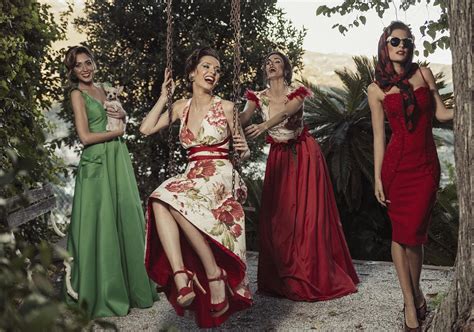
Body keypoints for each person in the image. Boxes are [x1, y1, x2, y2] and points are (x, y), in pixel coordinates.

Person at [140, 47, 252, 328]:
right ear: (192, 73)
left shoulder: (226, 107)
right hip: (193, 175)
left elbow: (243, 150)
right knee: (159, 200)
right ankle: (181, 276)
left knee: (172, 198)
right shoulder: (180, 107)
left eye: (216, 69)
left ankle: (213, 273)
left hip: (220, 174)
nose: (212, 72)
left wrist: (243, 148)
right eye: (206, 66)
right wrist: (164, 97)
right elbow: (145, 129)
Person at [241, 51, 359, 302]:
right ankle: (282, 276)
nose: (271, 64)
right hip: (279, 157)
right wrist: (224, 114)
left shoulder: (297, 90)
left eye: (277, 61)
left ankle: (310, 273)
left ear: (286, 69)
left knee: (308, 216)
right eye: (267, 61)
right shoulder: (257, 97)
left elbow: (287, 113)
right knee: (278, 217)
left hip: (303, 154)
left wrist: (263, 126)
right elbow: (242, 118)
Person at [367, 21, 454, 332]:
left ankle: (416, 294)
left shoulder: (424, 74)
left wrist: (467, 104)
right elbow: (379, 137)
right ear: (385, 46)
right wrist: (377, 178)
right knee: (399, 235)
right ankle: (410, 304)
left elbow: (442, 115)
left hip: (426, 167)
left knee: (413, 237)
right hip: (395, 168)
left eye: (406, 41)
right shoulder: (375, 89)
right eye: (394, 41)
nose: (401, 45)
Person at [63, 45, 157, 318]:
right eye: (79, 65)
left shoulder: (104, 88)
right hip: (97, 163)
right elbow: (85, 137)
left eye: (88, 62)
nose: (85, 68)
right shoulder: (77, 94)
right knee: (100, 223)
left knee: (125, 216)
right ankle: (102, 292)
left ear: (94, 63)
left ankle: (132, 288)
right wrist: (117, 133)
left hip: (118, 159)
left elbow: (121, 115)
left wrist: (123, 119)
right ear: (72, 71)